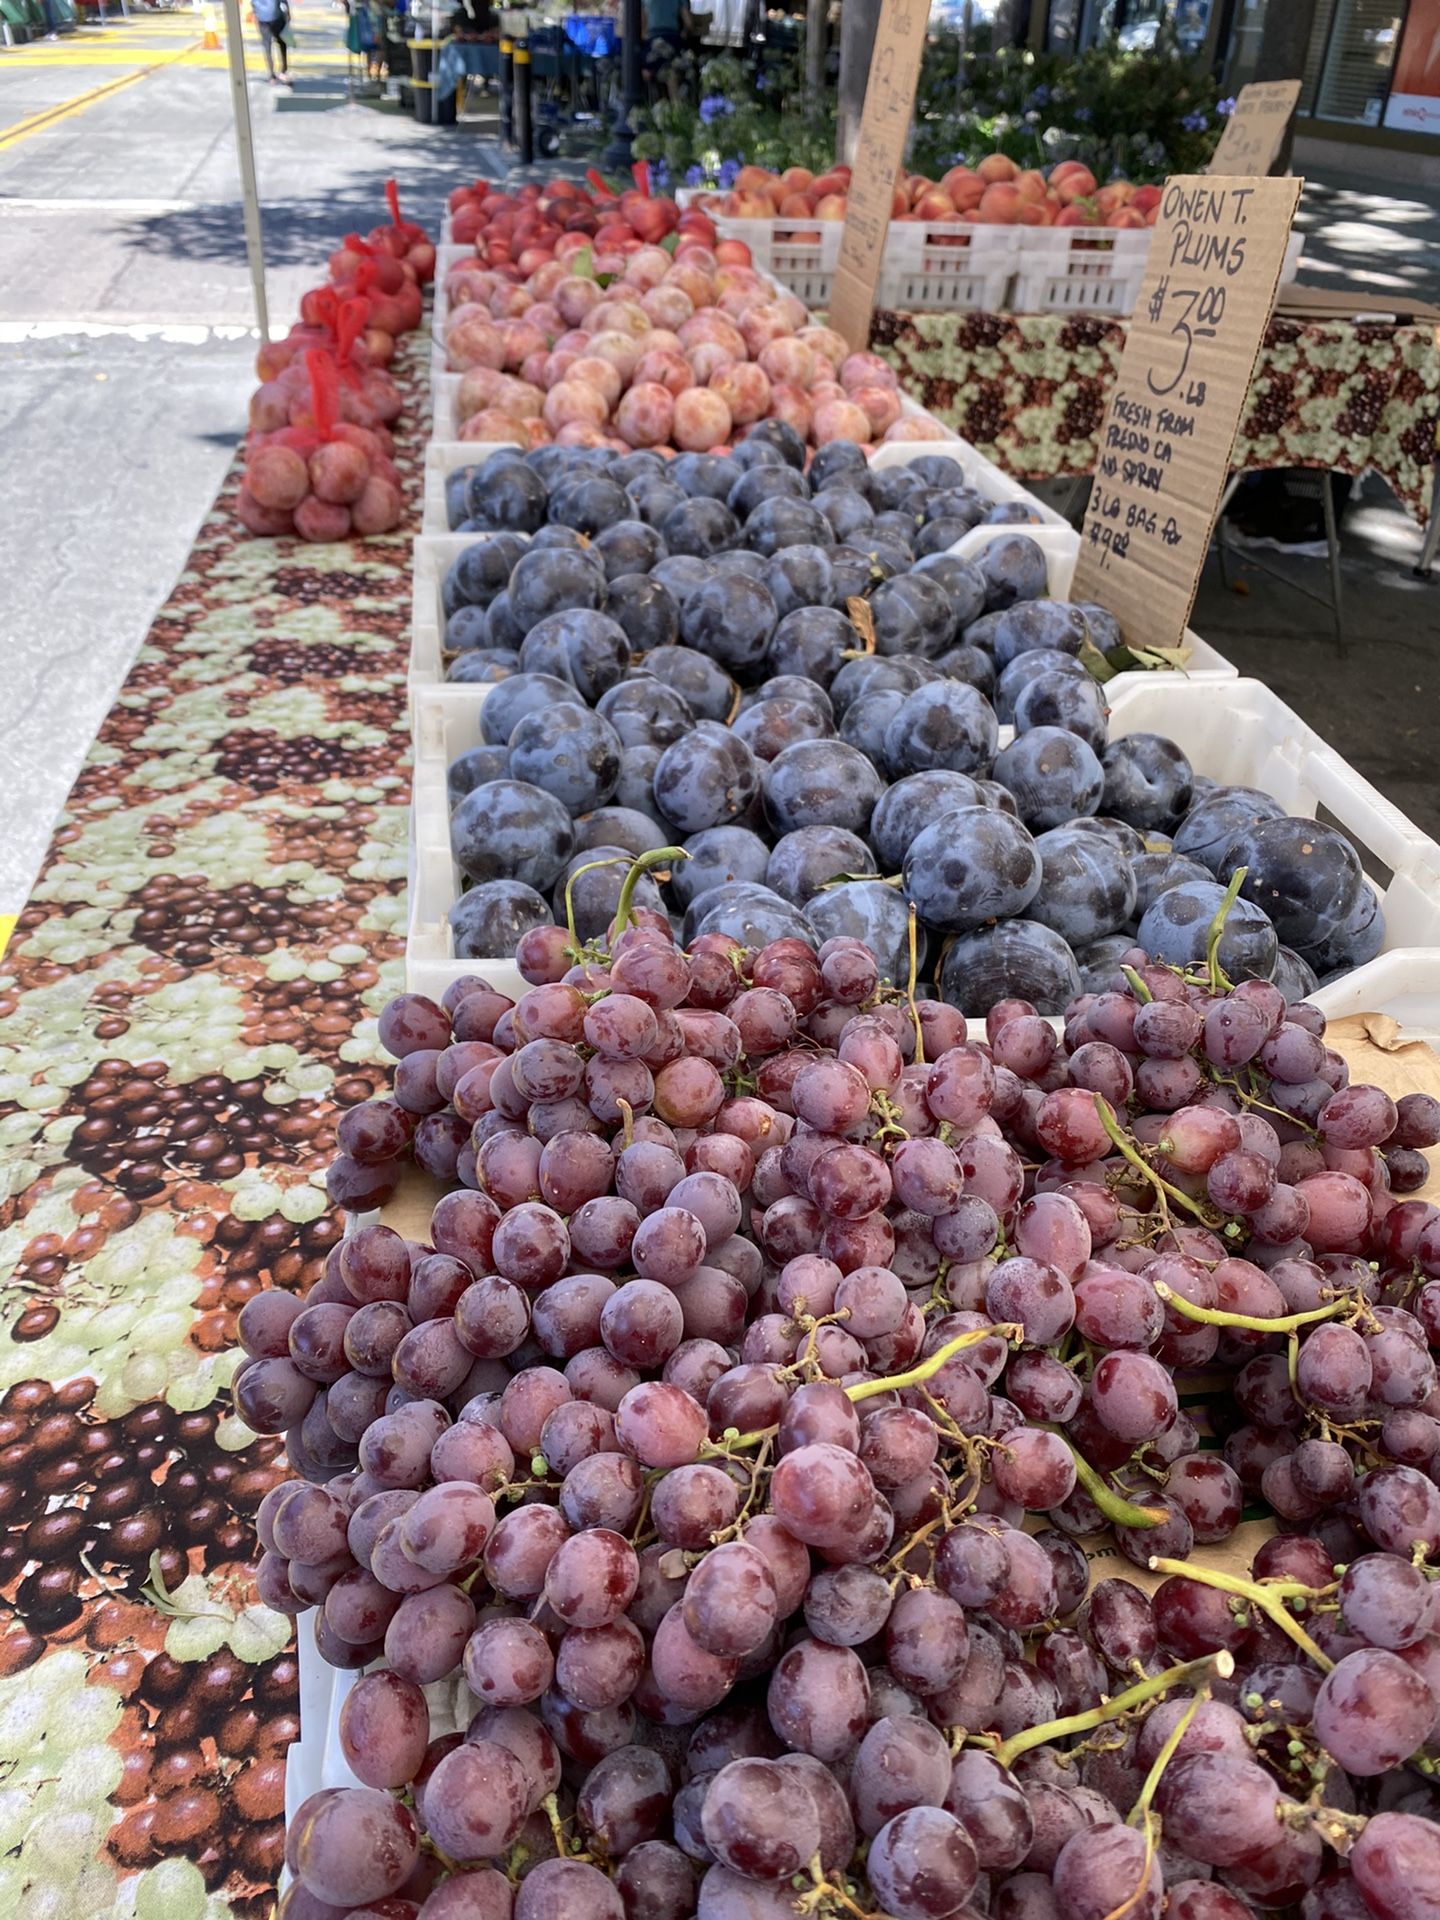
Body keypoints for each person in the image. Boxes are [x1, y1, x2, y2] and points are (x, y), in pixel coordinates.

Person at [254, 0, 294, 83]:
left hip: (262, 19)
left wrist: (256, 14)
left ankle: (272, 75)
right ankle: (283, 70)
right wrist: (287, 14)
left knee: (267, 45)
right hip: (276, 17)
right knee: (282, 43)